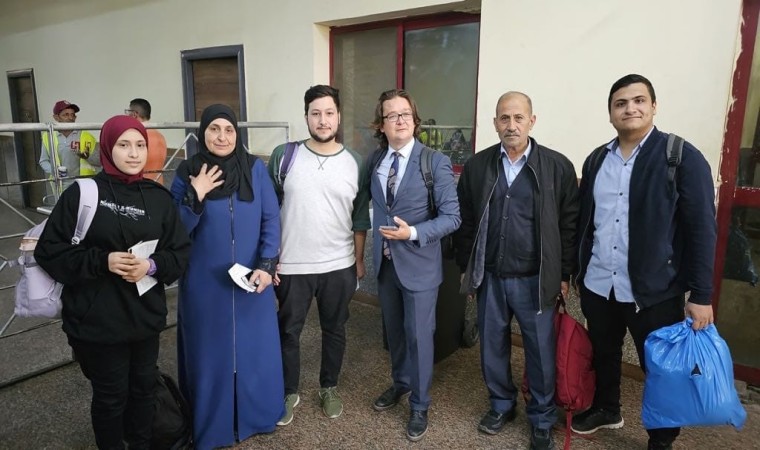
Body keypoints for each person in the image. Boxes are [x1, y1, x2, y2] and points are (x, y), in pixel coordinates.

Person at [572, 74, 717, 450]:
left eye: (639, 101)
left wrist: (701, 294)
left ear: (654, 106)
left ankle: (662, 438)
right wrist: (576, 272)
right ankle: (607, 409)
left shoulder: (680, 157)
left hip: (655, 291)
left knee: (661, 369)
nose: (630, 109)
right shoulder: (596, 160)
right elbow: (586, 222)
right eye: (620, 103)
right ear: (610, 113)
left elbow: (702, 230)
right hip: (600, 283)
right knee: (604, 354)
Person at [34, 115, 191, 449]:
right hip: (97, 320)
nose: (133, 153)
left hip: (144, 318)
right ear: (107, 147)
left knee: (144, 390)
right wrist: (102, 261)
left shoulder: (158, 198)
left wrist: (150, 265)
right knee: (110, 397)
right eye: (123, 145)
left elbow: (179, 254)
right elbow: (49, 252)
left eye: (140, 145)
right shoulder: (82, 194)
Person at [455, 91, 579, 450]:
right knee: (491, 346)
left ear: (532, 121)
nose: (511, 125)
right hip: (491, 276)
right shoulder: (478, 166)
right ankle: (501, 405)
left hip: (536, 279)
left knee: (540, 352)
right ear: (495, 123)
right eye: (504, 118)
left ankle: (541, 418)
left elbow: (569, 225)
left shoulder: (557, 166)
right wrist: (467, 268)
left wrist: (564, 274)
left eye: (518, 118)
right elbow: (465, 222)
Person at [171, 104, 284, 449]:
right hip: (204, 283)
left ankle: (258, 417)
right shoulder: (188, 171)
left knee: (255, 351)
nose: (222, 137)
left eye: (229, 130)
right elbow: (174, 231)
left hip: (253, 280)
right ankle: (213, 427)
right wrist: (196, 194)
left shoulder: (254, 169)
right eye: (214, 129)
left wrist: (267, 265)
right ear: (202, 133)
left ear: (237, 133)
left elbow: (270, 219)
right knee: (210, 355)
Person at [268, 85, 370, 425]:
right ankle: (289, 391)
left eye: (329, 113)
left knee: (335, 329)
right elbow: (268, 212)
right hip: (292, 264)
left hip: (339, 264)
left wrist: (358, 261)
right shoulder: (284, 156)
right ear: (306, 117)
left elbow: (359, 217)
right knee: (288, 331)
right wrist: (269, 260)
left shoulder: (355, 162)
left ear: (338, 116)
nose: (322, 120)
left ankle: (329, 387)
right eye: (315, 113)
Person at [367, 89, 460, 442]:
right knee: (395, 333)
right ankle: (401, 383)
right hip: (386, 265)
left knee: (420, 337)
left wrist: (414, 233)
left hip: (420, 265)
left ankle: (420, 404)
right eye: (391, 115)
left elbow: (452, 217)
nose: (400, 120)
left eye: (405, 113)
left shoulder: (434, 161)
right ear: (382, 125)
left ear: (415, 120)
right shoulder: (375, 161)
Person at [39, 100, 101, 192]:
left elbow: (99, 162)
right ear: (56, 117)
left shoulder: (86, 136)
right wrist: (54, 170)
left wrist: (88, 157)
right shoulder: (48, 137)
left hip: (84, 184)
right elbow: (43, 161)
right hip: (60, 185)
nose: (70, 118)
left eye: (73, 115)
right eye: (66, 115)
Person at [127, 98, 168, 185]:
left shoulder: (137, 136)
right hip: (158, 185)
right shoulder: (160, 136)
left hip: (141, 186)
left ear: (134, 114)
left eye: (128, 112)